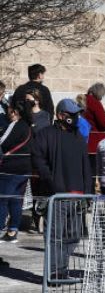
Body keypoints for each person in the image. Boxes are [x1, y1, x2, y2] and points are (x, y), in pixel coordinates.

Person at [32, 99, 92, 280]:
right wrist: (50, 179)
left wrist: (88, 193)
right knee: (55, 237)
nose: (76, 118)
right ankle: (54, 272)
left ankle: (61, 269)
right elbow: (37, 158)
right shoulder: (46, 134)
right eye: (72, 115)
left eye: (77, 115)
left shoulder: (79, 137)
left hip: (77, 197)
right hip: (56, 196)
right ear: (61, 115)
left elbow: (86, 167)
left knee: (73, 236)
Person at [0, 99, 33, 242]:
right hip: (24, 169)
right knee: (16, 200)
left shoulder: (16, 125)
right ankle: (13, 231)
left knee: (2, 200)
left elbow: (4, 142)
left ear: (14, 111)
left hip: (10, 169)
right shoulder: (27, 126)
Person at [81, 83, 105, 162]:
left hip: (82, 137)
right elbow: (103, 122)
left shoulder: (82, 99)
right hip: (95, 139)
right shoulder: (95, 103)